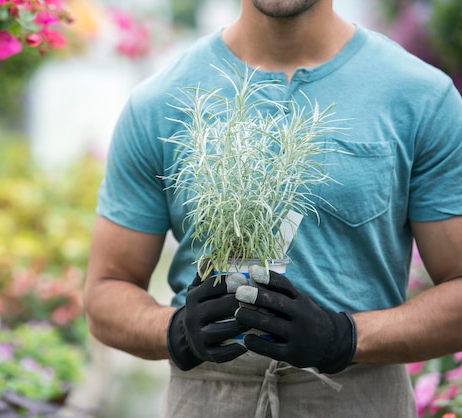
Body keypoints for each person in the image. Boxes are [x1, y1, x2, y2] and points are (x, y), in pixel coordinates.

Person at [83, 0, 462, 416]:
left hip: (359, 397)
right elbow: (106, 292)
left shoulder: (420, 96)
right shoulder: (160, 101)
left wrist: (344, 337)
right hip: (209, 398)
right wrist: (176, 331)